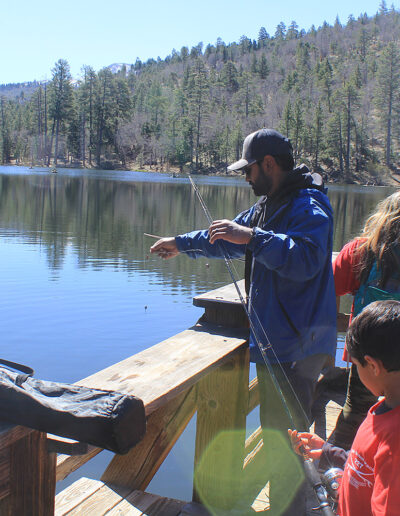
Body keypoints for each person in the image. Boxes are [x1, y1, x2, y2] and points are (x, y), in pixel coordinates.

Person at [150, 128, 337, 515]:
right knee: (283, 440)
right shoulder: (271, 203)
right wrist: (181, 243)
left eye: (248, 170)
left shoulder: (308, 204)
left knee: (288, 445)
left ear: (268, 164)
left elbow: (307, 259)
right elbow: (225, 237)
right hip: (282, 344)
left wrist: (252, 236)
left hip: (297, 347)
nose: (246, 178)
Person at [290, 300, 400, 516]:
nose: (355, 371)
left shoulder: (394, 440)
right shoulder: (384, 408)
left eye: (356, 366)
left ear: (373, 366)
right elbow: (367, 464)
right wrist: (329, 452)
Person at [328, 191, 400, 450]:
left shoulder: (359, 250)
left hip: (366, 354)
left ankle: (343, 466)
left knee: (356, 410)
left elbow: (332, 289)